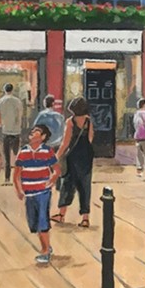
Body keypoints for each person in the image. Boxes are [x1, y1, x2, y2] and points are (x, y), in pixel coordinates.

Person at [14, 124, 60, 264]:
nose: (33, 133)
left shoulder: (47, 151)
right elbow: (17, 174)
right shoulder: (23, 151)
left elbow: (56, 170)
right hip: (29, 193)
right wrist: (19, 190)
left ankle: (45, 251)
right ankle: (47, 246)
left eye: (37, 132)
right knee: (33, 222)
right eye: (32, 131)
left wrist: (51, 180)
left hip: (43, 192)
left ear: (43, 137)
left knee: (42, 221)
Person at [52, 97, 94, 228]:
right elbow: (90, 138)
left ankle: (61, 214)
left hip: (73, 156)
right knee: (85, 186)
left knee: (68, 184)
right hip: (86, 156)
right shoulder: (88, 121)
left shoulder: (70, 122)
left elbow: (65, 143)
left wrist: (56, 156)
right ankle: (85, 218)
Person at [0, 83, 23, 184]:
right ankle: (18, 176)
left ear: (4, 90)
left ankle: (7, 178)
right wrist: (18, 124)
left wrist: (1, 124)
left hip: (5, 131)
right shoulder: (17, 101)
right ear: (12, 90)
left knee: (6, 156)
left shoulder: (0, 101)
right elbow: (20, 115)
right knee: (17, 155)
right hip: (16, 131)